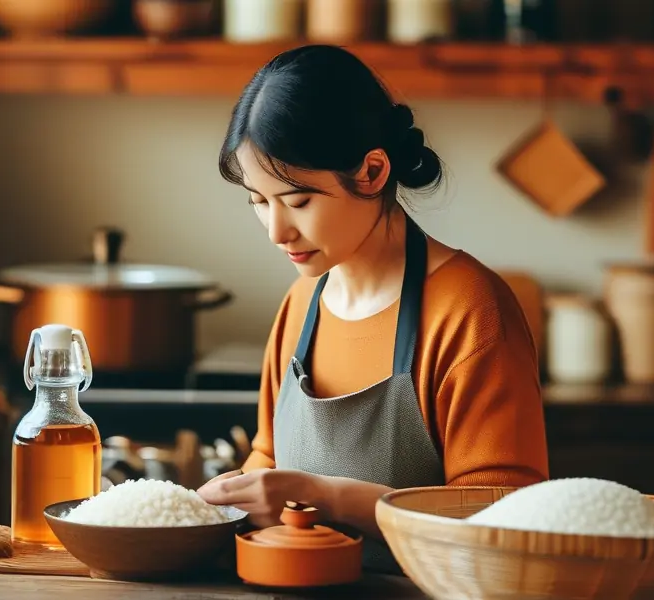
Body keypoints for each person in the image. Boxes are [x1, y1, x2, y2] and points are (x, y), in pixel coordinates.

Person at [196, 44, 549, 574]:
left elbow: (508, 518)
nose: (277, 231)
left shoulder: (470, 310)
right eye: (259, 202)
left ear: (373, 171)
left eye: (297, 201)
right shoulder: (300, 305)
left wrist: (330, 498)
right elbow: (268, 457)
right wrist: (230, 498)